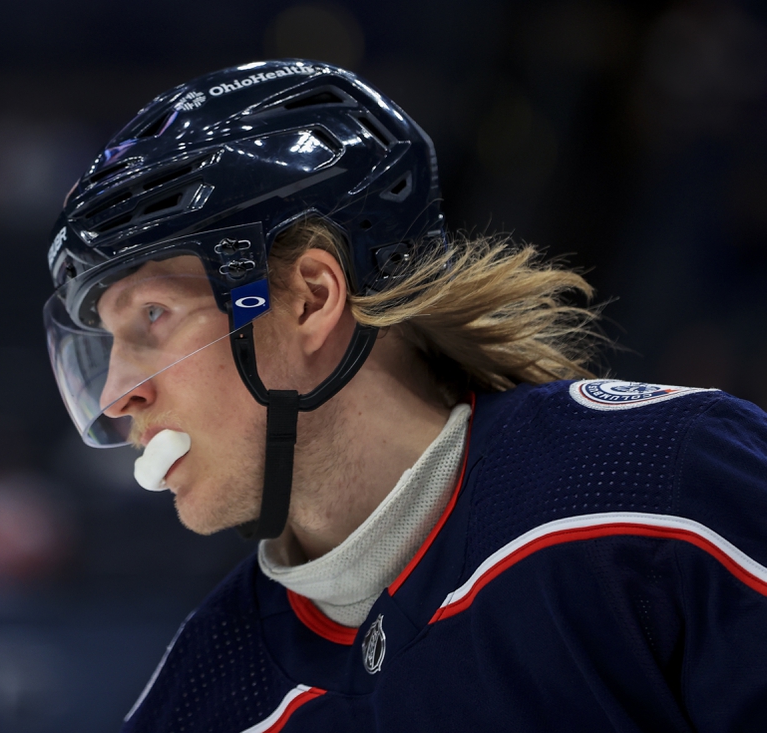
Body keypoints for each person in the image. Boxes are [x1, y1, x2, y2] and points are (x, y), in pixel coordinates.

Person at [43, 60, 767, 731]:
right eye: (108, 342)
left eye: (153, 317)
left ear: (311, 298)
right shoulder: (198, 701)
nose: (115, 394)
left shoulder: (666, 487)